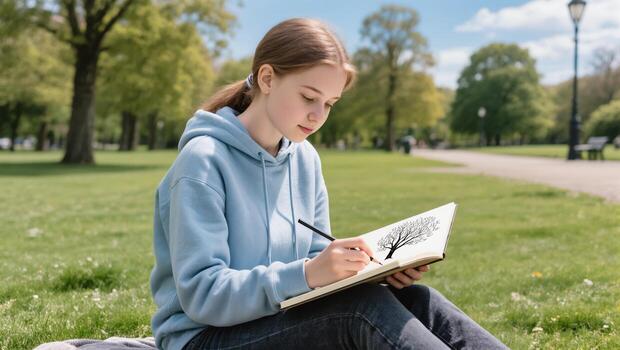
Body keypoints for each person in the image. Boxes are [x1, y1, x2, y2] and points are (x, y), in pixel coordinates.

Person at [149, 18, 508, 350]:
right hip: (204, 339)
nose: (317, 116)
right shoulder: (203, 161)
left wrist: (370, 272)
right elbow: (203, 296)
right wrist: (309, 273)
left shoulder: (305, 158)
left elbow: (310, 263)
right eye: (308, 97)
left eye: (329, 104)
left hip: (276, 319)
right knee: (358, 311)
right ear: (267, 78)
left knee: (419, 300)